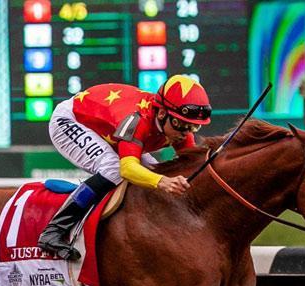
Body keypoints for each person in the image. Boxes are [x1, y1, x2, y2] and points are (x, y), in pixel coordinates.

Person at [38, 75, 212, 260]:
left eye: (193, 128)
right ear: (162, 113)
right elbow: (127, 169)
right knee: (114, 169)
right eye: (180, 125)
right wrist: (163, 182)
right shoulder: (139, 120)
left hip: (110, 129)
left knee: (154, 171)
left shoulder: (175, 123)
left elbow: (193, 165)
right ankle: (53, 231)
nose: (185, 133)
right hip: (70, 120)